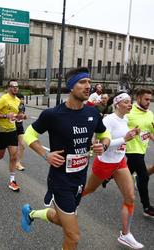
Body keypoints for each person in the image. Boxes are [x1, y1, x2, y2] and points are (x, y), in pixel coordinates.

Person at [20, 67, 110, 250]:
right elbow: (29, 134)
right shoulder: (53, 115)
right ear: (71, 86)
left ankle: (31, 214)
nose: (88, 86)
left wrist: (104, 144)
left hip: (79, 180)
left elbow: (104, 133)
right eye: (82, 82)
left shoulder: (92, 113)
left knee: (60, 220)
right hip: (60, 181)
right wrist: (46, 154)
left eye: (90, 83)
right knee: (73, 236)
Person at [82, 92, 143, 249]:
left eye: (131, 102)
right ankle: (68, 201)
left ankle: (125, 234)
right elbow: (100, 142)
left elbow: (125, 137)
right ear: (117, 104)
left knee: (130, 197)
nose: (130, 104)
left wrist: (134, 135)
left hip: (120, 162)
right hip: (104, 163)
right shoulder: (108, 119)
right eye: (126, 102)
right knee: (88, 189)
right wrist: (125, 139)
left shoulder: (126, 119)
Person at [125, 88, 154, 217]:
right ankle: (147, 207)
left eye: (150, 99)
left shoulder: (150, 114)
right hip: (131, 148)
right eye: (146, 99)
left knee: (127, 171)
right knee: (144, 176)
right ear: (138, 99)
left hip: (141, 148)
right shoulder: (129, 112)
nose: (149, 102)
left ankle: (109, 176)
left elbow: (150, 131)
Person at [15, 93, 27, 171]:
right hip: (11, 127)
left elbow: (23, 115)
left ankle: (18, 163)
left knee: (22, 145)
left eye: (23, 99)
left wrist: (24, 116)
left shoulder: (22, 106)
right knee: (2, 150)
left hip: (20, 127)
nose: (22, 100)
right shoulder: (13, 106)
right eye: (20, 99)